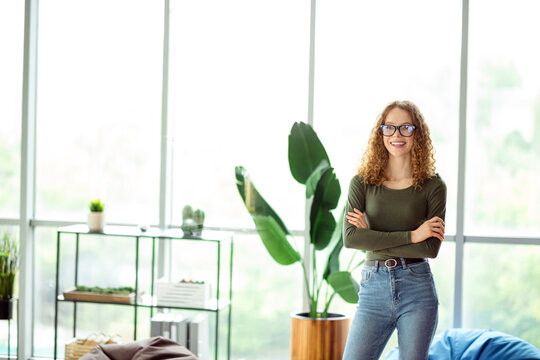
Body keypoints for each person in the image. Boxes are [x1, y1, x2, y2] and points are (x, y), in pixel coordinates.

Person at [341, 100, 447, 360]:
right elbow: (351, 239)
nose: (396, 135)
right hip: (373, 287)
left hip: (417, 288)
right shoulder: (362, 183)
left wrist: (372, 239)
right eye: (389, 128)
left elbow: (430, 248)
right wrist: (413, 235)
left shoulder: (434, 186)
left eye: (405, 128)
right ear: (381, 133)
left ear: (417, 133)